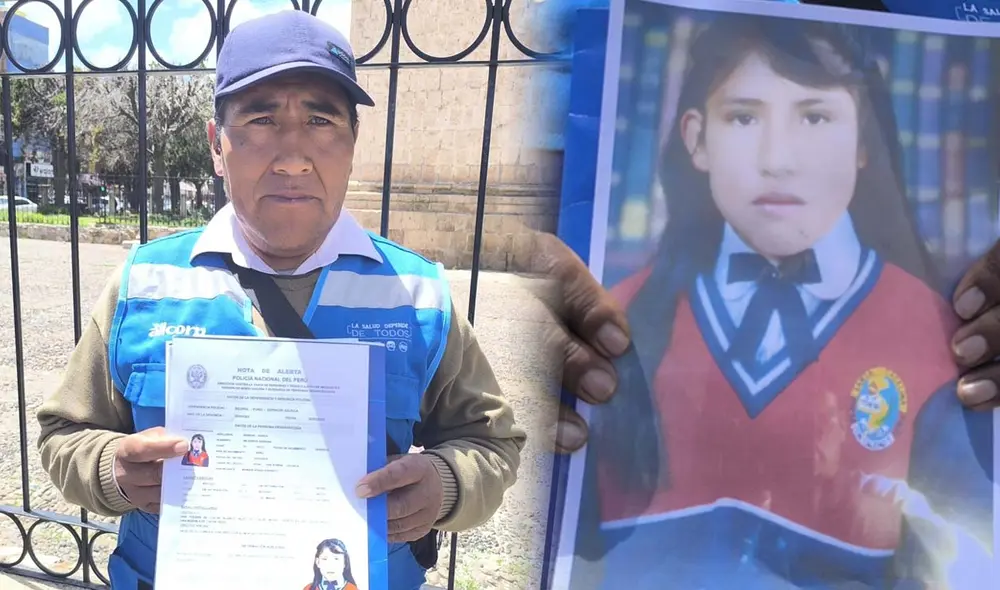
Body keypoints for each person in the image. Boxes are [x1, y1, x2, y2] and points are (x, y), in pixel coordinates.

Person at [35, 11, 540, 590]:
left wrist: (446, 483)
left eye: (321, 120)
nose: (293, 156)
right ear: (216, 145)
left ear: (352, 144)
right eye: (261, 119)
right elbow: (62, 435)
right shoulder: (145, 281)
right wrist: (113, 470)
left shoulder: (417, 294)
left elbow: (493, 443)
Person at [568, 15, 992, 589]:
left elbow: (970, 547)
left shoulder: (939, 334)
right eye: (743, 117)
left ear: (864, 141)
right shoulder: (613, 323)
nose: (778, 159)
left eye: (815, 116)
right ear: (697, 139)